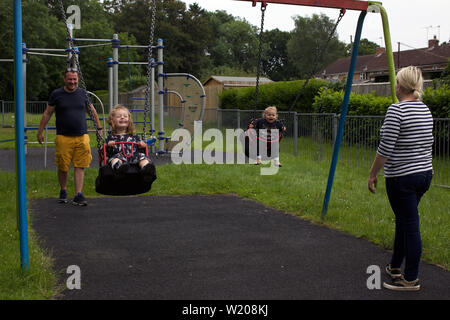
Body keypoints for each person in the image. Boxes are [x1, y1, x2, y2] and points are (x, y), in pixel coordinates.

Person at [368, 66, 433, 291]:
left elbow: (385, 149)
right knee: (405, 221)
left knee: (410, 225)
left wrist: (373, 173)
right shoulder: (425, 110)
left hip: (402, 177)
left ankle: (411, 278)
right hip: (425, 174)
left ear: (399, 86)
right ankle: (395, 265)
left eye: (396, 82)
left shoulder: (396, 110)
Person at [37, 68, 102, 206]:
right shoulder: (57, 94)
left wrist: (99, 128)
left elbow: (92, 111)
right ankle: (63, 190)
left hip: (82, 135)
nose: (72, 82)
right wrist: (40, 131)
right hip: (63, 137)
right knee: (63, 166)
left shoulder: (83, 93)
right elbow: (47, 113)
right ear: (64, 79)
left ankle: (78, 194)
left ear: (77, 79)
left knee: (80, 165)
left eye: (74, 79)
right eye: (70, 79)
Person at [105, 105, 153, 173]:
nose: (122, 117)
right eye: (119, 116)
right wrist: (108, 145)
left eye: (125, 116)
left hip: (134, 157)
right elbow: (104, 151)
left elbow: (141, 148)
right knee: (115, 158)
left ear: (129, 121)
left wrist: (142, 145)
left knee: (142, 156)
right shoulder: (110, 137)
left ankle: (146, 167)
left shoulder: (134, 136)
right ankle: (119, 167)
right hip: (120, 157)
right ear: (112, 121)